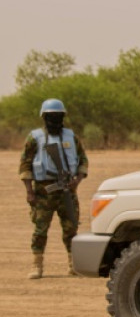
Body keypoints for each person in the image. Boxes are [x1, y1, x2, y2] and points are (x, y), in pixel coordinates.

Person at [19, 98, 88, 279]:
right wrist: (29, 191)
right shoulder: (34, 137)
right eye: (51, 116)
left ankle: (74, 265)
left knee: (71, 228)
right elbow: (25, 164)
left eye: (58, 116)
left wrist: (77, 181)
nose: (54, 119)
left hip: (68, 190)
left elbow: (83, 160)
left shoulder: (71, 137)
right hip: (43, 191)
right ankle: (37, 266)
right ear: (44, 117)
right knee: (40, 229)